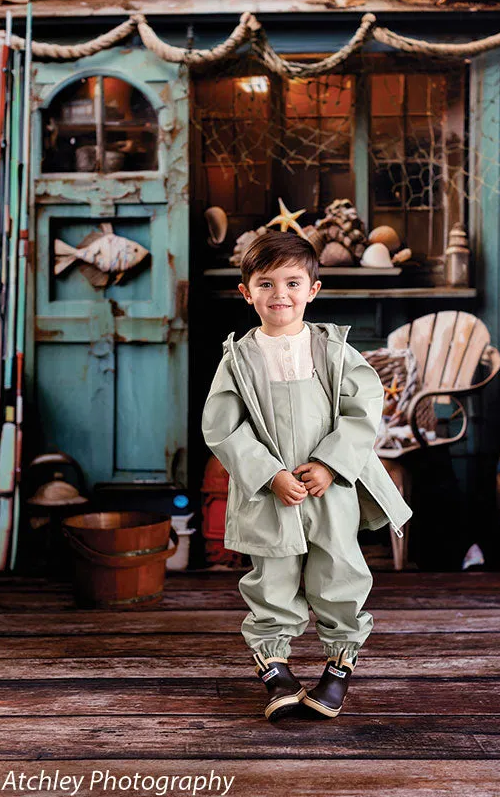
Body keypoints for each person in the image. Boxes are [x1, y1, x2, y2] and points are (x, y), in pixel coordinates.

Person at [201, 230, 412, 720]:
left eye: (293, 283)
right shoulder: (238, 360)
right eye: (266, 284)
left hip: (328, 485)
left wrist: (329, 463)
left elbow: (362, 409)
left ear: (313, 290)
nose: (281, 295)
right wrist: (269, 474)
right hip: (271, 491)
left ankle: (339, 666)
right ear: (246, 292)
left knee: (338, 570)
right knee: (273, 575)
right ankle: (274, 668)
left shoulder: (332, 351)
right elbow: (222, 427)